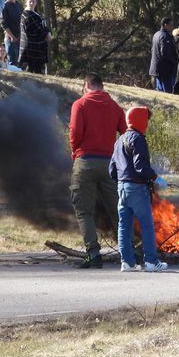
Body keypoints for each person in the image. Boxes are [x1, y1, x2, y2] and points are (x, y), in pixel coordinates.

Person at [69, 73, 127, 269]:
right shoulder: (115, 106)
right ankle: (130, 251)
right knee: (117, 209)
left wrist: (74, 151)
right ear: (102, 86)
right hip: (110, 163)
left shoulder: (80, 104)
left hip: (84, 161)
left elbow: (75, 132)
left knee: (84, 211)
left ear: (86, 85)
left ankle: (93, 254)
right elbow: (126, 133)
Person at [110, 105, 169, 272]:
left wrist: (122, 182)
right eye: (147, 120)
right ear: (141, 121)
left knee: (124, 226)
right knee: (147, 225)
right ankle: (151, 262)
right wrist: (156, 178)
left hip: (122, 188)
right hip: (136, 188)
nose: (148, 124)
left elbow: (111, 169)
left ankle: (127, 263)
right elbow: (140, 167)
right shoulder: (138, 139)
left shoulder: (119, 140)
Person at [18, 0, 52, 73]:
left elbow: (43, 26)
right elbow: (37, 28)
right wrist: (46, 34)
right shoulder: (27, 15)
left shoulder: (35, 14)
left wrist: (48, 32)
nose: (32, 3)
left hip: (36, 46)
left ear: (36, 2)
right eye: (30, 1)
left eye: (33, 1)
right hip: (30, 46)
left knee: (37, 70)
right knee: (30, 71)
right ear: (26, 2)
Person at [149, 16, 177, 92]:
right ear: (165, 25)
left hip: (157, 69)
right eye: (170, 25)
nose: (172, 27)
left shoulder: (156, 34)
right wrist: (174, 62)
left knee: (160, 91)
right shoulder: (165, 37)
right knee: (167, 92)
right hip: (165, 70)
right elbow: (165, 53)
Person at [0, 0, 23, 67]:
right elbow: (3, 23)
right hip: (10, 39)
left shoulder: (19, 6)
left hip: (20, 38)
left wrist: (21, 36)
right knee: (12, 62)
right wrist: (12, 36)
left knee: (19, 63)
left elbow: (22, 22)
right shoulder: (4, 6)